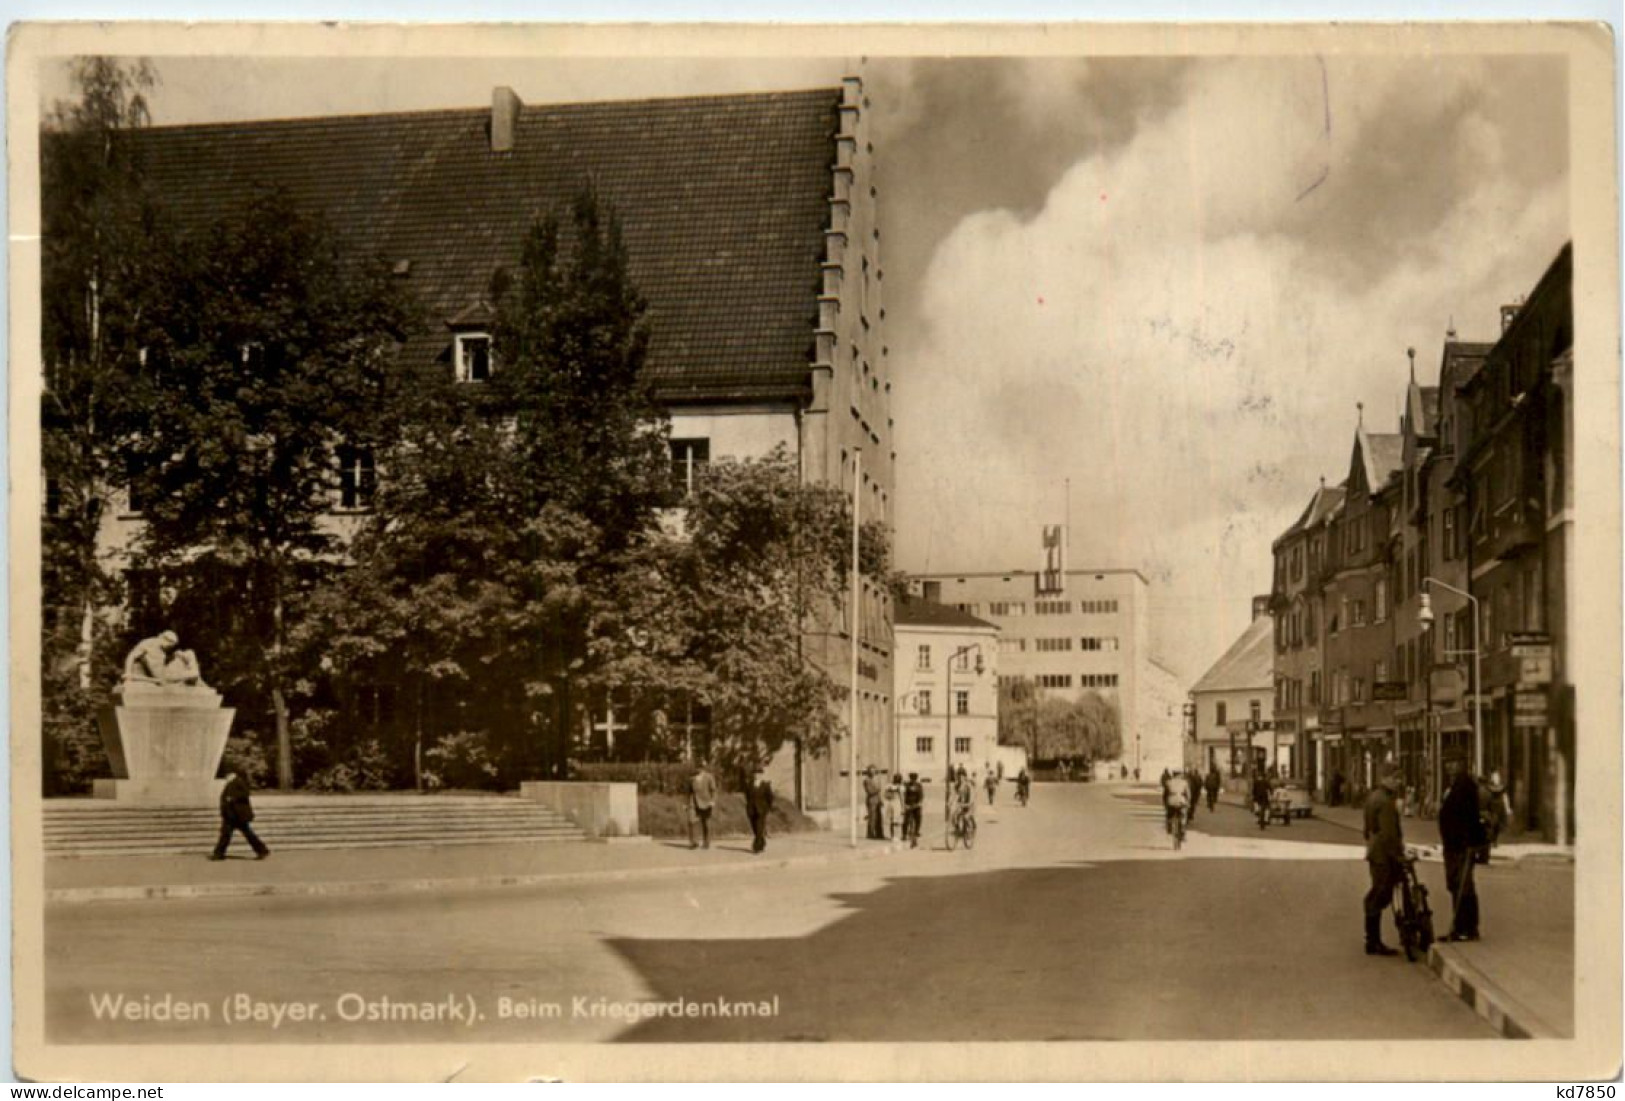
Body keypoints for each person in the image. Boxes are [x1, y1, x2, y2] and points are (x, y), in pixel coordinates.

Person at [1438, 756, 1487, 942]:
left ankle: (1464, 929)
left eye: (1454, 762)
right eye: (1448, 762)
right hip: (1454, 844)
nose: (1450, 766)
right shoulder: (1455, 784)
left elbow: (1468, 818)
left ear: (1463, 764)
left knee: (1461, 886)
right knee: (1458, 885)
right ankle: (1466, 928)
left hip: (1460, 845)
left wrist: (1468, 844)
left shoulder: (1465, 786)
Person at [1362, 763, 1406, 956]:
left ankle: (1372, 939)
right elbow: (1389, 834)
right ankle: (1373, 941)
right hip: (1384, 855)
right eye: (1396, 778)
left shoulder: (1373, 797)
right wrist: (1397, 855)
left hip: (1375, 851)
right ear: (1386, 778)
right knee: (1381, 892)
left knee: (1378, 891)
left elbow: (1367, 828)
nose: (1399, 782)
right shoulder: (1386, 801)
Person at [210, 770, 269, 861]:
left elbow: (246, 793)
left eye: (227, 776)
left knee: (243, 834)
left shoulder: (238, 781)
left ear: (232, 775)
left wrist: (233, 798)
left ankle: (262, 850)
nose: (226, 778)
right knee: (227, 834)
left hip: (237, 815)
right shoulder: (232, 783)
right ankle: (219, 853)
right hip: (231, 815)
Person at [687, 760, 718, 850]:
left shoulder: (709, 777)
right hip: (693, 802)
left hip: (706, 802)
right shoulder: (692, 778)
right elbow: (688, 792)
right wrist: (686, 803)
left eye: (700, 767)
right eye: (697, 767)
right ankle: (694, 842)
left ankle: (706, 842)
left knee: (706, 823)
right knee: (691, 821)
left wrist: (712, 801)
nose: (698, 769)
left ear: (703, 768)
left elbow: (714, 790)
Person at [743, 768, 774, 854]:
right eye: (755, 774)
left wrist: (767, 808)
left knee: (759, 828)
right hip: (751, 809)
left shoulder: (765, 785)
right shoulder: (749, 784)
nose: (757, 776)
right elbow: (747, 796)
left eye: (759, 774)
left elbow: (770, 797)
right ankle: (762, 842)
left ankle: (756, 847)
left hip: (762, 810)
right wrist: (749, 805)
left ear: (761, 775)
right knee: (754, 828)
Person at [1163, 769, 1191, 838]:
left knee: (1169, 815)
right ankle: (1183, 830)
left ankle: (1169, 827)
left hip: (1171, 801)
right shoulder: (1184, 782)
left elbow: (1165, 795)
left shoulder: (1168, 782)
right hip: (1181, 801)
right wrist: (1188, 802)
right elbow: (1188, 794)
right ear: (1180, 775)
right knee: (1183, 815)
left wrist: (1165, 803)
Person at [902, 772, 925, 848]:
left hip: (916, 805)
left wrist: (919, 803)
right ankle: (904, 834)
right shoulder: (907, 785)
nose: (913, 780)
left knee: (918, 818)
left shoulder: (919, 785)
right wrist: (905, 805)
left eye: (914, 779)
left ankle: (916, 832)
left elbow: (921, 795)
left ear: (916, 779)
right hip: (908, 805)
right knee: (906, 820)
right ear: (910, 778)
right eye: (911, 778)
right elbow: (904, 795)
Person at [863, 767, 885, 841]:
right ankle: (870, 834)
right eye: (871, 771)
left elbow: (878, 792)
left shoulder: (875, 780)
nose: (873, 773)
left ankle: (879, 834)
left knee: (879, 818)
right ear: (868, 772)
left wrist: (880, 800)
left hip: (877, 800)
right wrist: (877, 789)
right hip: (871, 800)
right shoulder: (866, 780)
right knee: (872, 818)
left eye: (874, 771)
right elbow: (869, 791)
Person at [884, 773, 903, 840]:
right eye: (896, 778)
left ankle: (895, 835)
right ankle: (893, 836)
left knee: (896, 821)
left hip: (897, 803)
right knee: (892, 820)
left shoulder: (901, 787)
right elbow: (886, 795)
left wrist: (903, 807)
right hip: (893, 803)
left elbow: (902, 797)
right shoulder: (890, 786)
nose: (897, 780)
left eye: (898, 778)